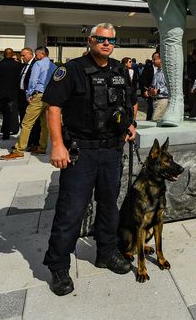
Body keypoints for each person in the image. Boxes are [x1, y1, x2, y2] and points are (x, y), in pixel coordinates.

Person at [42, 23, 136, 296]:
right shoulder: (71, 70)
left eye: (111, 40)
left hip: (111, 151)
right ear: (90, 40)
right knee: (71, 210)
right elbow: (54, 108)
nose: (107, 43)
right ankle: (58, 266)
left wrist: (131, 125)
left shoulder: (120, 69)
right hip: (80, 152)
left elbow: (127, 103)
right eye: (101, 39)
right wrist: (57, 146)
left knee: (109, 206)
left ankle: (106, 252)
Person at [1, 46, 54, 159]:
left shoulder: (38, 64)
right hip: (49, 96)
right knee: (44, 124)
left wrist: (29, 94)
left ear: (41, 54)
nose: (36, 56)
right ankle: (42, 147)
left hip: (38, 95)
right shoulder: (53, 66)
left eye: (36, 54)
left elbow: (32, 80)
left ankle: (19, 150)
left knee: (26, 123)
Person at [0, 48, 23, 141]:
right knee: (10, 113)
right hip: (13, 93)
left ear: (3, 55)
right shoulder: (19, 66)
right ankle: (8, 132)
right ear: (12, 54)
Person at [146, 51, 170, 122]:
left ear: (161, 59)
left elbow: (169, 87)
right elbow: (154, 85)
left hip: (163, 100)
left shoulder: (166, 72)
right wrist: (151, 90)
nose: (153, 61)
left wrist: (158, 90)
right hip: (155, 100)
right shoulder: (157, 72)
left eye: (154, 59)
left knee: (155, 120)